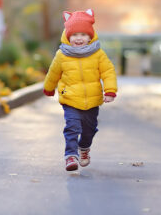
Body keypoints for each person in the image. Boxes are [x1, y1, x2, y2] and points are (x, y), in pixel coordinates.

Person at [43, 9, 117, 171]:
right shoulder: (62, 55)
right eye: (75, 35)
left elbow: (108, 71)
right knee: (72, 127)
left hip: (92, 99)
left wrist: (110, 91)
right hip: (70, 98)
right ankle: (70, 156)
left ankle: (83, 148)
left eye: (83, 35)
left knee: (89, 129)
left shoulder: (98, 54)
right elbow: (53, 72)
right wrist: (49, 88)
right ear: (68, 36)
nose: (79, 38)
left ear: (91, 36)